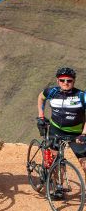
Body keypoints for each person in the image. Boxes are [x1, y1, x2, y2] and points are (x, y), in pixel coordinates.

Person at [37, 67, 86, 196]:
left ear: (74, 81)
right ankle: (58, 188)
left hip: (76, 133)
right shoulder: (51, 92)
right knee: (56, 161)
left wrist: (84, 133)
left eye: (69, 80)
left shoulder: (81, 96)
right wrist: (41, 116)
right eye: (62, 80)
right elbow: (41, 98)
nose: (65, 83)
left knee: (85, 163)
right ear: (57, 81)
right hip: (55, 130)